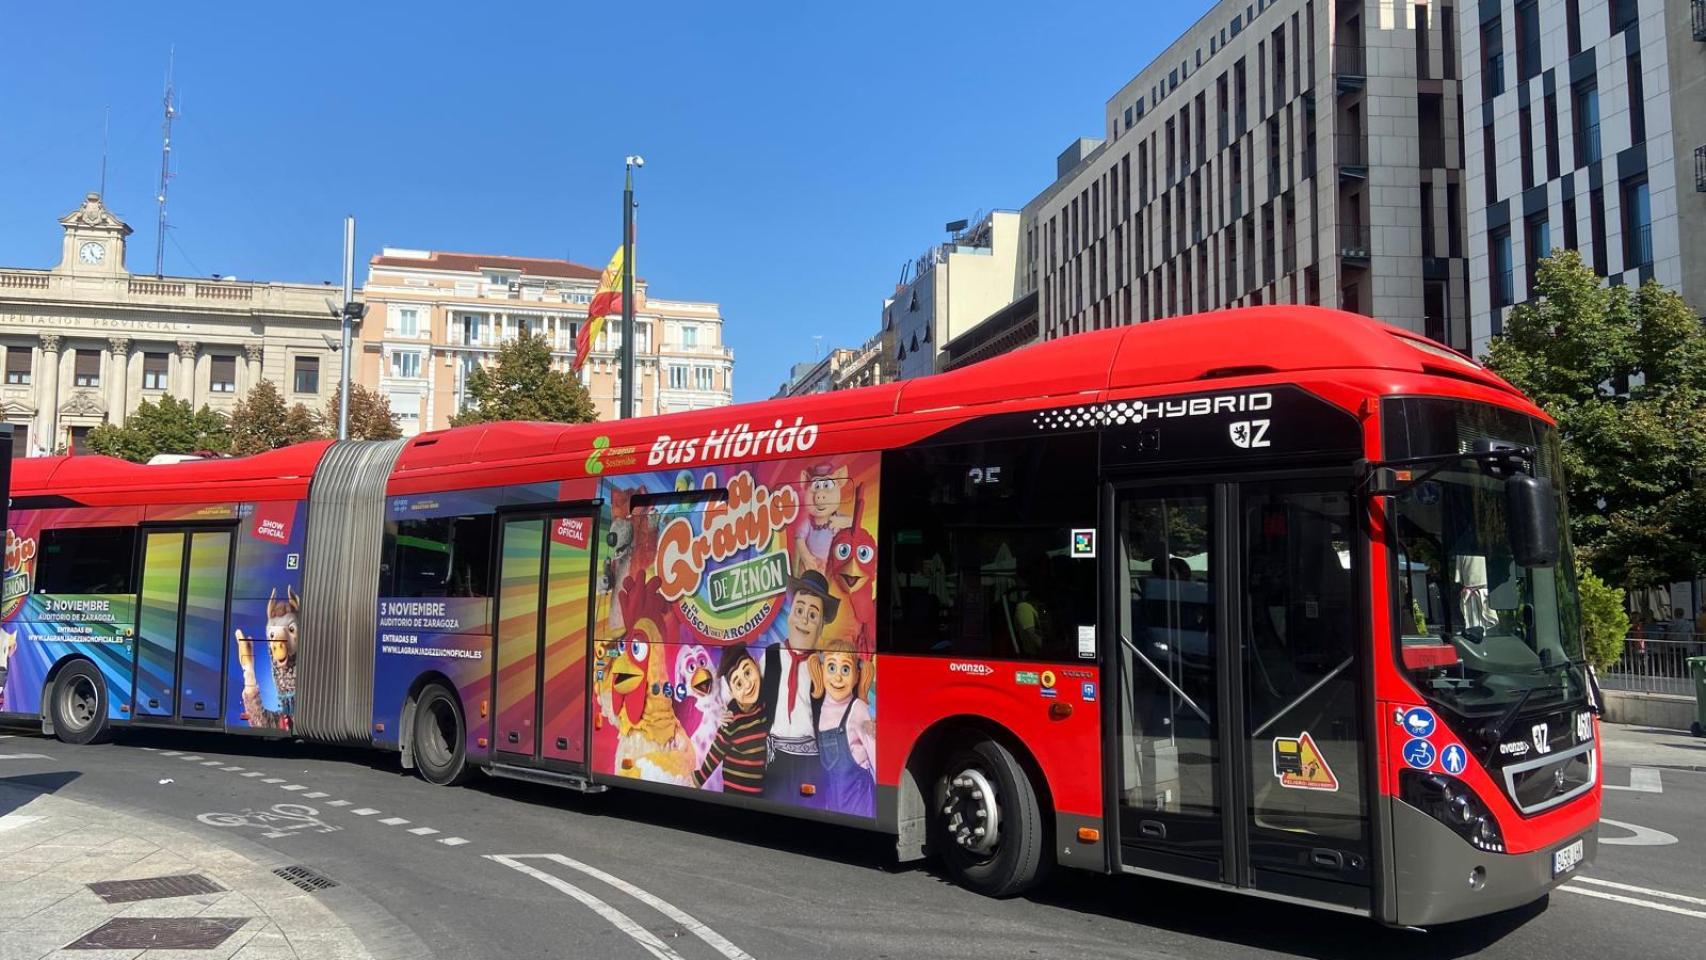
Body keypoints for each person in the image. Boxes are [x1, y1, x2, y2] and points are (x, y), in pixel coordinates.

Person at [760, 570, 839, 808]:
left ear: (821, 628)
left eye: (813, 615)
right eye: (800, 610)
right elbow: (753, 696)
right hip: (775, 756)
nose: (804, 620)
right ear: (790, 616)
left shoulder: (824, 666)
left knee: (810, 805)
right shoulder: (771, 656)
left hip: (811, 758)